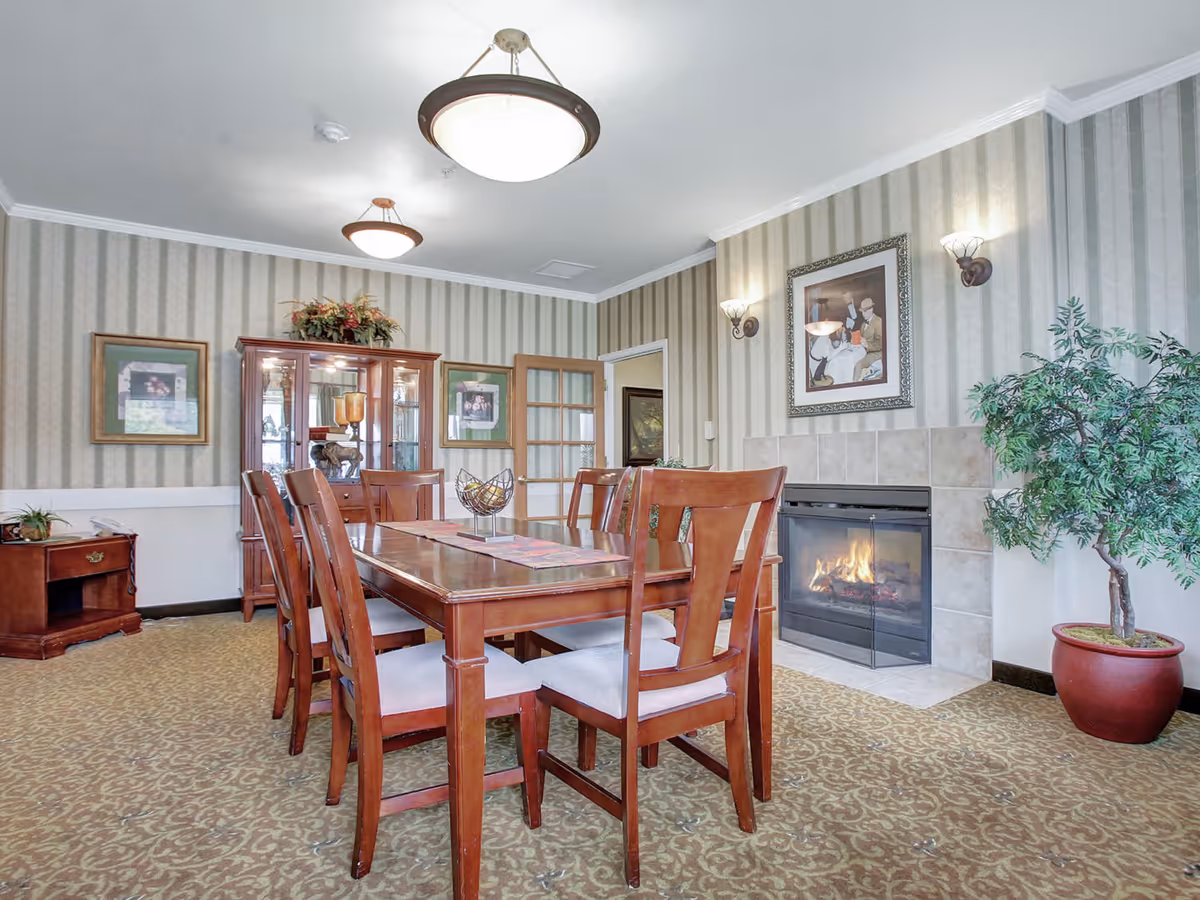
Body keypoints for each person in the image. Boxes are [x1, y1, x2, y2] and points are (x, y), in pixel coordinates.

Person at [853, 297, 884, 381]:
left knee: (858, 365)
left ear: (871, 309)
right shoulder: (863, 324)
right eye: (862, 312)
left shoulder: (878, 322)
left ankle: (856, 385)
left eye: (865, 311)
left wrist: (867, 345)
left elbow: (882, 344)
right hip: (865, 351)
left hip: (876, 353)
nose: (863, 314)